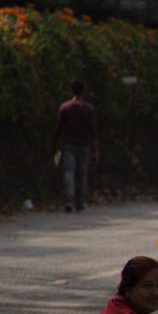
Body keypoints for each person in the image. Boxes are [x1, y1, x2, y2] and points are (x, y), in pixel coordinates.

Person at [54, 78, 97, 213]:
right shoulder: (89, 108)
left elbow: (59, 129)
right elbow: (93, 131)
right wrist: (96, 150)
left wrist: (55, 146)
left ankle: (69, 200)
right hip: (84, 144)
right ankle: (80, 202)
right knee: (82, 173)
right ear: (83, 90)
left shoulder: (65, 107)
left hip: (68, 144)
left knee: (69, 171)